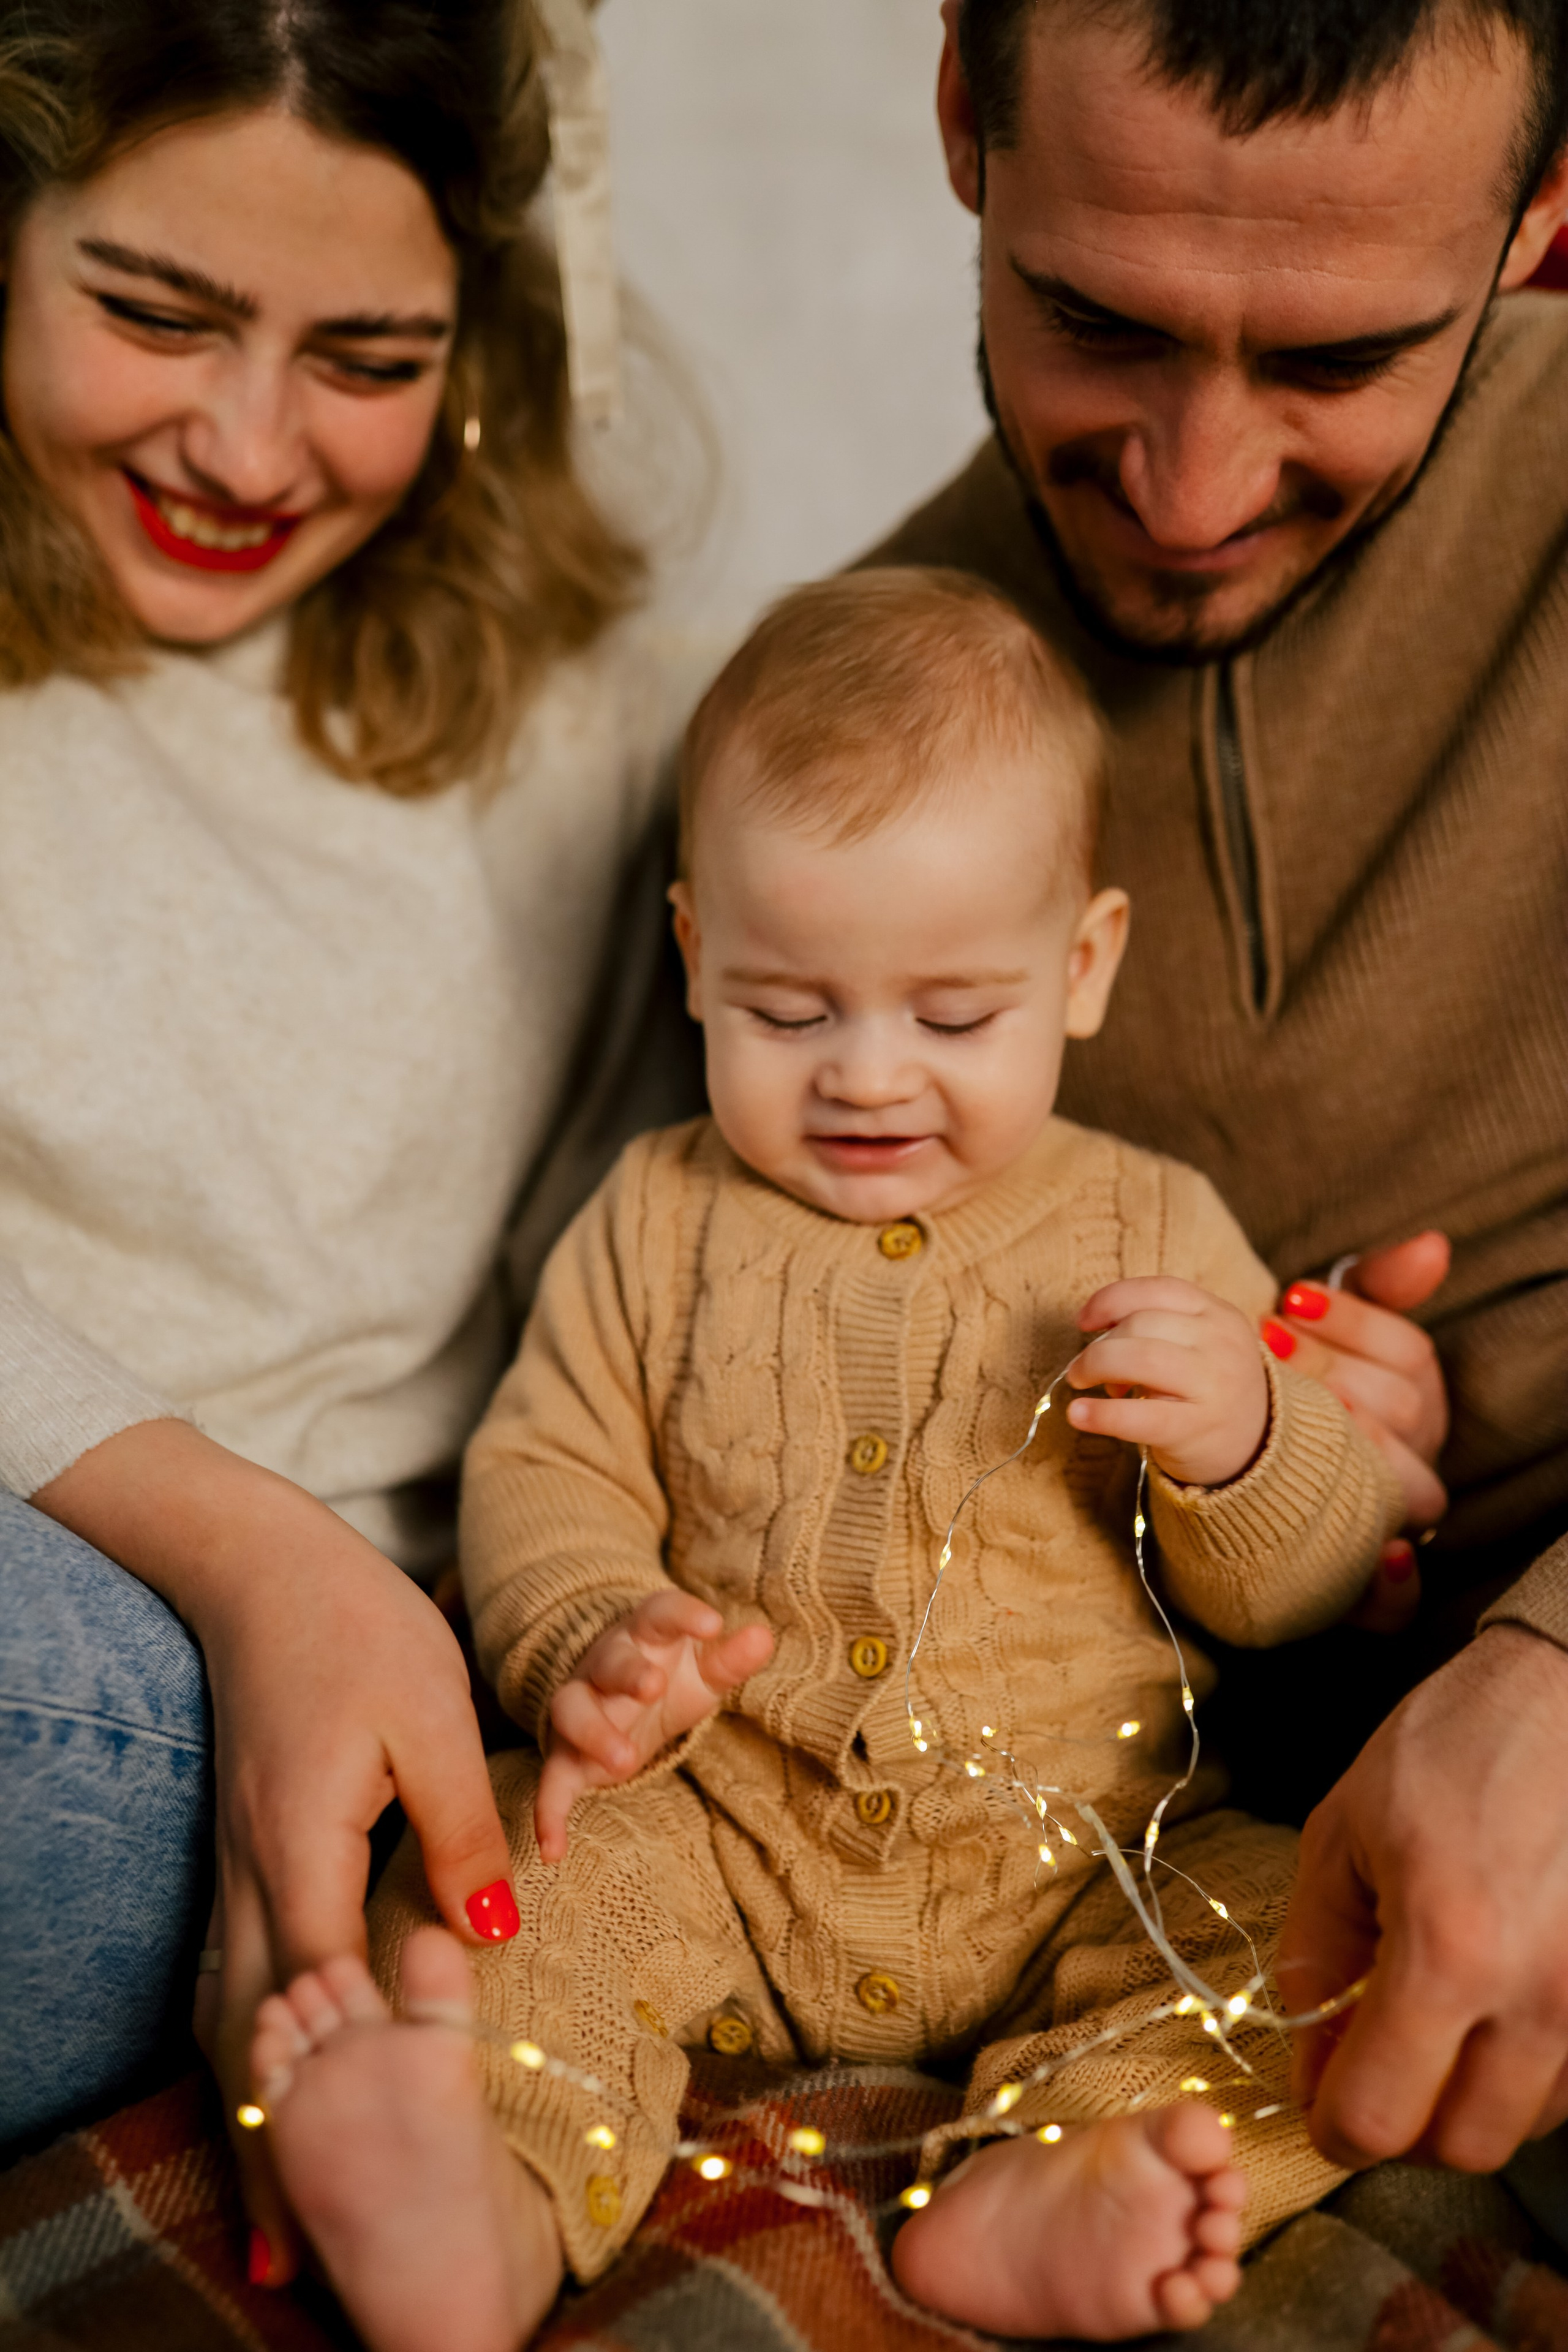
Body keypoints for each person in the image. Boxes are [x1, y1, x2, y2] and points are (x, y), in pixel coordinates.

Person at [247, 568, 1407, 2350]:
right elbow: (543, 1475)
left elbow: (1299, 1594)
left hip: (1097, 1866)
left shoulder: (1155, 1224)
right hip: (719, 1837)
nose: (869, 1077)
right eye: (790, 1012)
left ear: (1083, 967)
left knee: (1325, 1942)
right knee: (499, 1891)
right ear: (696, 953)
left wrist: (1250, 1444)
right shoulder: (653, 1221)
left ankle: (1049, 2176)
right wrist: (595, 1636)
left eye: (953, 1017)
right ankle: (482, 2204)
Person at [0, 0, 701, 2283]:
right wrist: (248, 1554)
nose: (243, 444)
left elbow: (639, 1290)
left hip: (272, 1715)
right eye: (150, 313)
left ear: (478, 334)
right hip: (120, 1576)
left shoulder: (585, 730)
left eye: (369, 357)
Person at [859, 0, 1568, 2182]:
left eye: (1343, 362)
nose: (1196, 492)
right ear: (965, 110)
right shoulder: (841, 745)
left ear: (1546, 212)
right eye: (1100, 324)